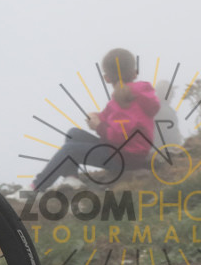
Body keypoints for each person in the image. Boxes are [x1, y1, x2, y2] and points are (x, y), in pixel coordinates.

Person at [31, 48, 160, 191]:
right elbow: (111, 117)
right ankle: (72, 179)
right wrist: (97, 117)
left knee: (69, 150)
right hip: (127, 152)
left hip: (124, 157)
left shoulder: (124, 98)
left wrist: (99, 126)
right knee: (73, 133)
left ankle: (35, 187)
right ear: (134, 72)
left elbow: (121, 135)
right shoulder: (135, 94)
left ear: (107, 78)